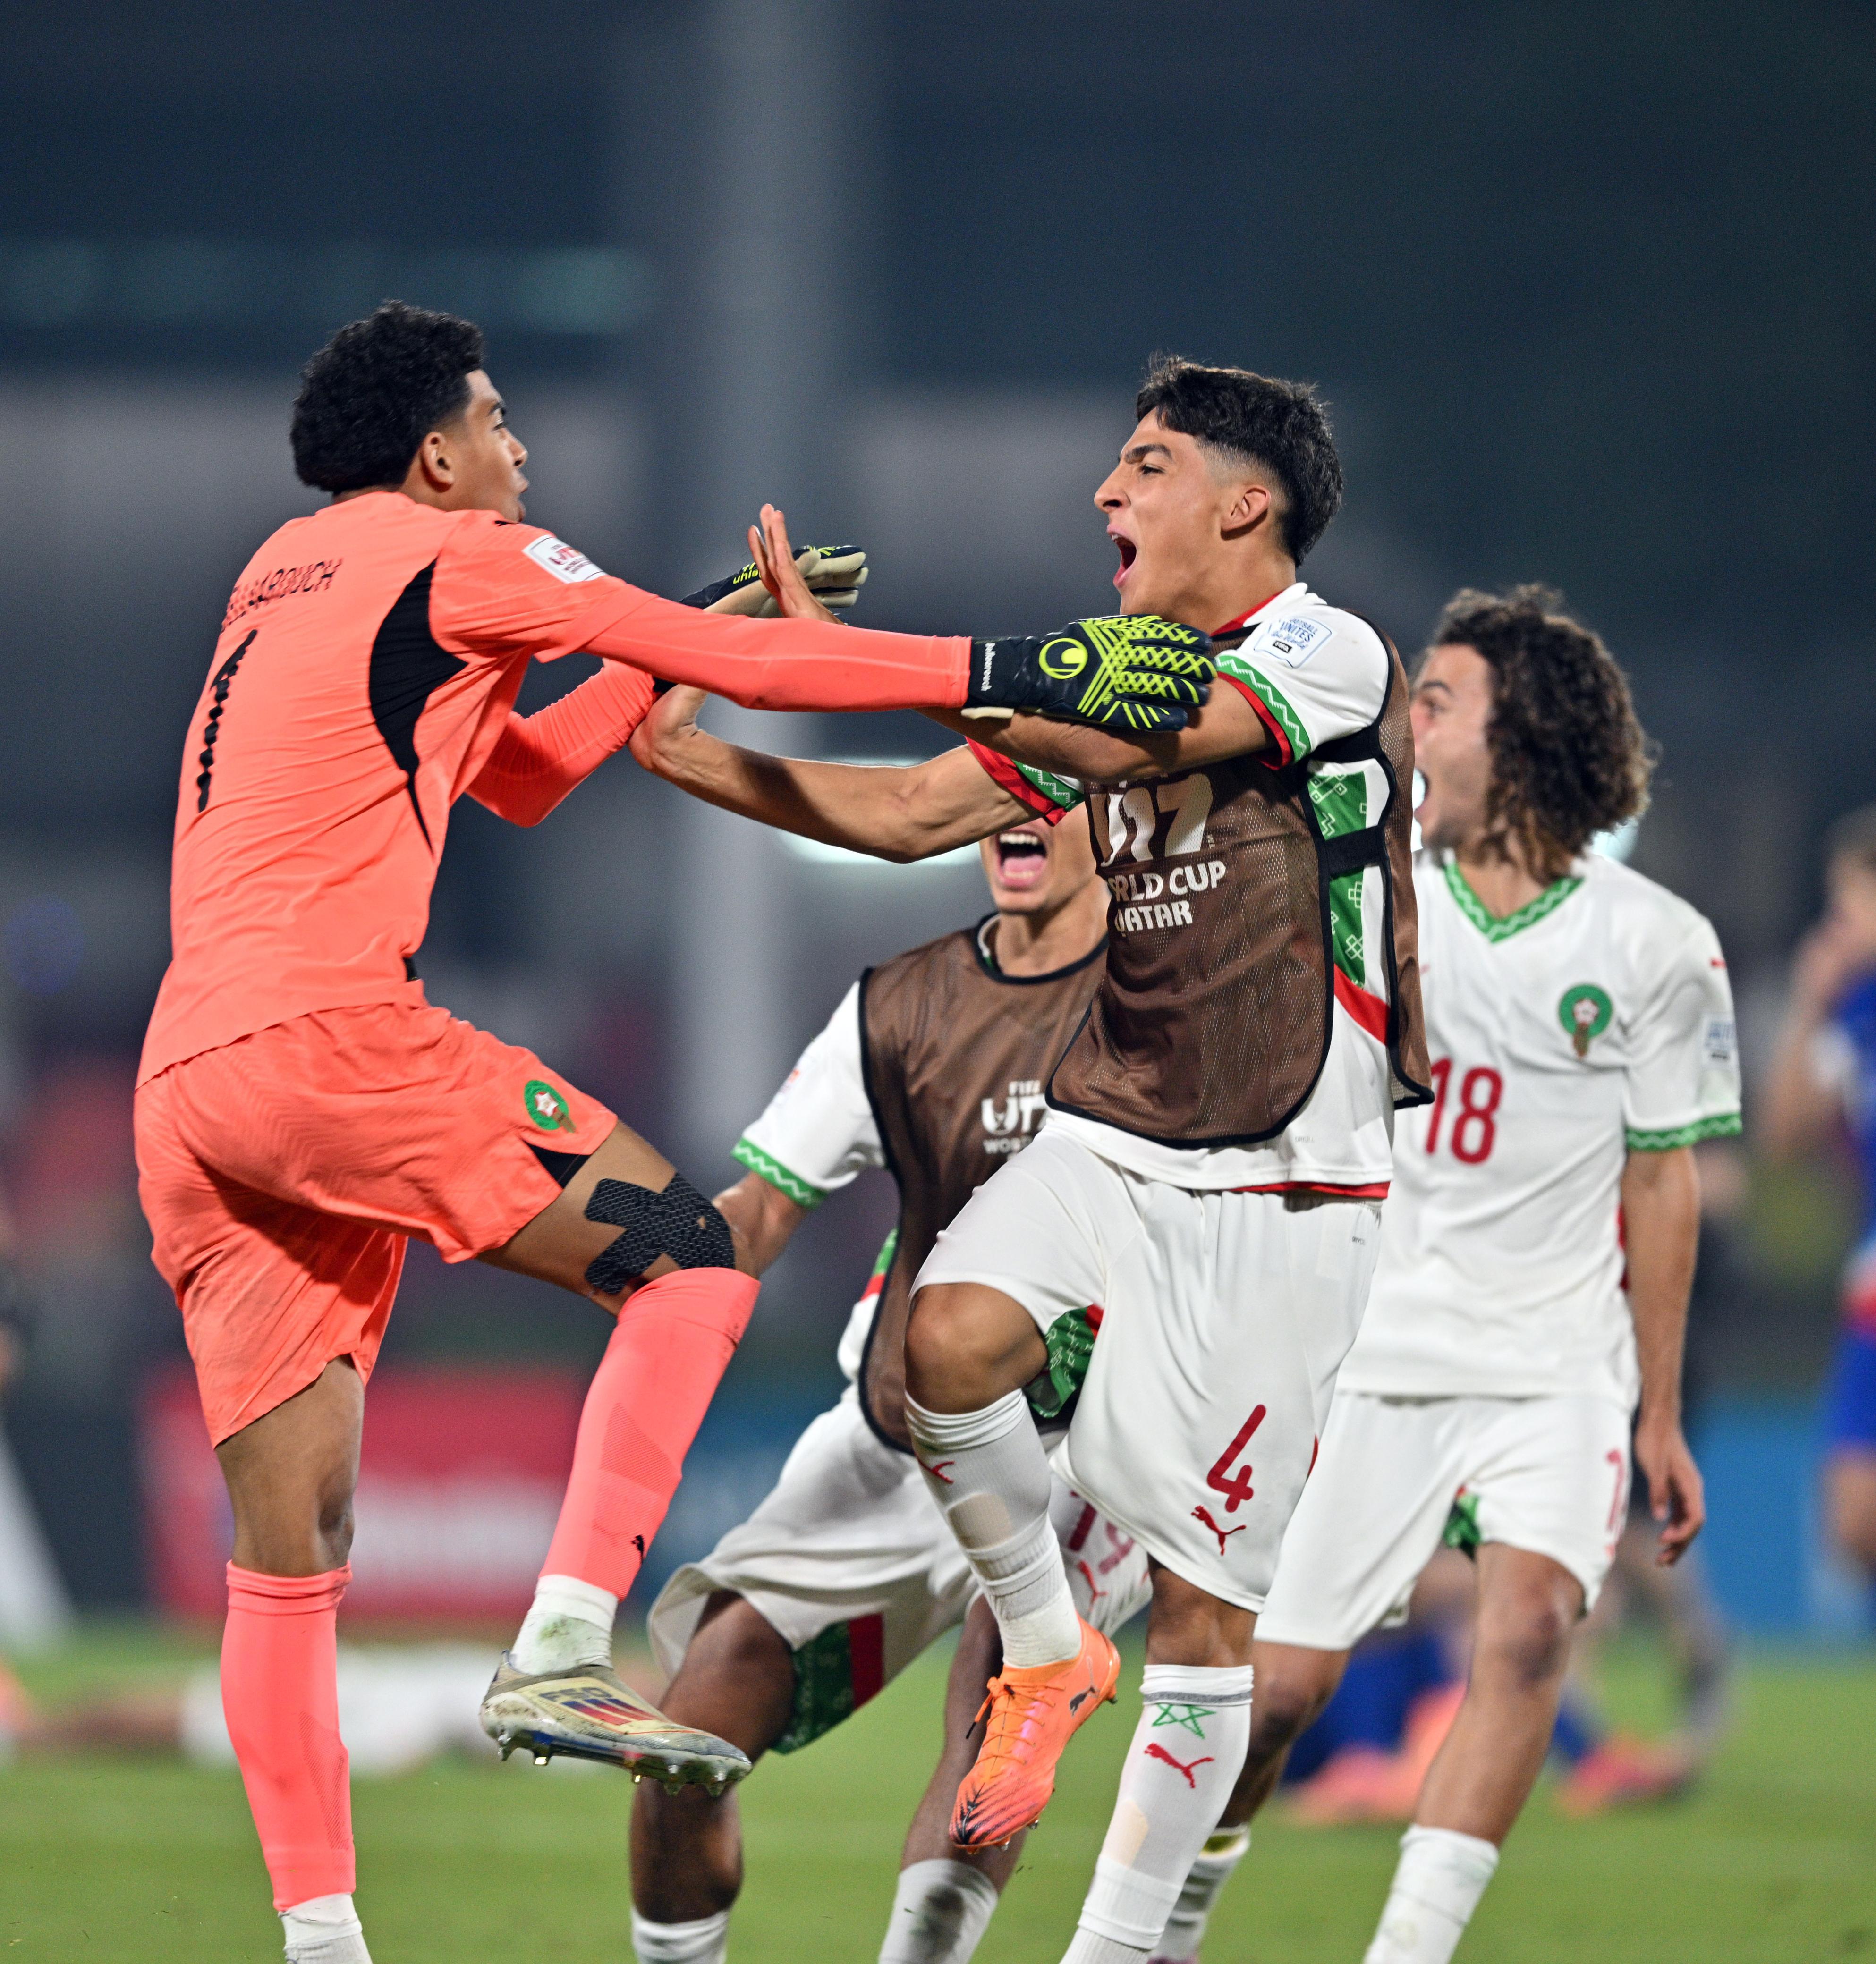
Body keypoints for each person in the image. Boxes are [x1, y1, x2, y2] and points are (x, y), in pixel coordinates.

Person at [130, 300, 1213, 1964]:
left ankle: (322, 1944)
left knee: (291, 1561)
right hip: (327, 1033)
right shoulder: (449, 549)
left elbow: (524, 773)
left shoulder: (279, 576)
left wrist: (650, 639)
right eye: (498, 423)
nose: (522, 449)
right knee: (694, 1260)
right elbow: (757, 671)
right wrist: (1013, 669)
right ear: (435, 456)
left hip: (188, 1075)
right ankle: (568, 1632)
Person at [625, 354, 1428, 1964]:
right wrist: (688, 748)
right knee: (945, 1341)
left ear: (1242, 502)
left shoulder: (1321, 653)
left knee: (1209, 1623)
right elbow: (914, 811)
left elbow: (1138, 733)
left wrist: (837, 652)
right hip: (1121, 1131)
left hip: (1289, 1181)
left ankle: (1117, 1947)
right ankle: (1051, 1657)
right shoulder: (1119, 675)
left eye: (1143, 464)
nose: (1103, 495)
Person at [1153, 586, 1741, 1964]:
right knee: (1280, 1693)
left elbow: (1660, 1181)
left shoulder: (1655, 946)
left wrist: (1655, 1413)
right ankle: (1161, 1931)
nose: (1408, 723)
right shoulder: (1363, 892)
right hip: (1371, 1355)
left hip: (1555, 1364)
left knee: (1527, 1629)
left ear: (1517, 735)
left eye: (1436, 702)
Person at [620, 793, 1148, 1964]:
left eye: (1051, 787)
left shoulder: (1169, 999)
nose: (1018, 807)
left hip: (1073, 1458)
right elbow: (759, 1209)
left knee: (998, 1678)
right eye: (997, 783)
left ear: (1115, 820)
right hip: (894, 1439)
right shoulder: (896, 1005)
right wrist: (624, 1255)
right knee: (688, 1736)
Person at [1761, 803, 1876, 1590]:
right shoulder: (1855, 1012)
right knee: (1854, 1522)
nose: (1835, 922)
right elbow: (1784, 1134)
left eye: (1850, 901)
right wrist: (1808, 1002)